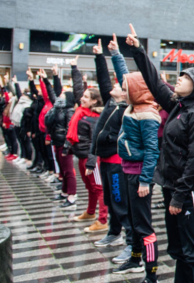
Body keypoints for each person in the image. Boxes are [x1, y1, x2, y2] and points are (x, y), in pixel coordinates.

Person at [127, 24, 194, 283]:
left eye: (185, 78)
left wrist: (179, 196)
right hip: (173, 188)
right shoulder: (178, 107)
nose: (178, 80)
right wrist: (138, 51)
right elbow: (154, 82)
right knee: (179, 248)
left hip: (190, 192)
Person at [111, 52, 162, 283]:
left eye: (125, 87)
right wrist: (116, 55)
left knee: (144, 226)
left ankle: (152, 279)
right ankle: (134, 259)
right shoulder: (134, 106)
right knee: (132, 220)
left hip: (138, 176)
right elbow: (127, 78)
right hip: (128, 171)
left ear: (136, 90)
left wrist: (144, 180)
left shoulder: (148, 115)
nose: (121, 89)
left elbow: (153, 151)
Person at [87, 36, 132, 250]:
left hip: (116, 161)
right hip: (105, 160)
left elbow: (122, 78)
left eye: (120, 85)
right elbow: (103, 80)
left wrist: (116, 55)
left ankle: (128, 240)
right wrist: (99, 56)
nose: (114, 85)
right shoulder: (111, 102)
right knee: (110, 200)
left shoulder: (126, 107)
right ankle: (113, 232)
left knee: (119, 201)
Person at [65, 61, 108, 233]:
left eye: (86, 97)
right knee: (90, 187)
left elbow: (95, 143)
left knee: (99, 188)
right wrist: (75, 69)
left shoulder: (94, 118)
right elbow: (77, 92)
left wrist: (91, 162)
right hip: (82, 156)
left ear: (94, 101)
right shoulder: (81, 112)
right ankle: (90, 213)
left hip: (92, 159)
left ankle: (102, 220)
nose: (82, 98)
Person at [43, 66, 77, 207]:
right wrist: (47, 79)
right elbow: (53, 94)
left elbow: (70, 128)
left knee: (68, 170)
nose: (60, 95)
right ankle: (64, 192)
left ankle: (72, 195)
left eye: (63, 94)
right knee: (62, 169)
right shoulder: (57, 107)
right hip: (57, 142)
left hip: (64, 144)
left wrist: (67, 146)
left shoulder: (68, 110)